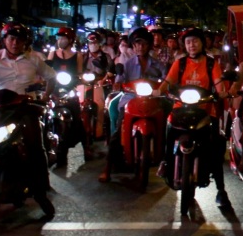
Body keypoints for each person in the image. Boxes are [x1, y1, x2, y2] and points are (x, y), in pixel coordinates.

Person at [0, 22, 56, 219]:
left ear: (25, 42)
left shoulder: (34, 60)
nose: (15, 43)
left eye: (19, 39)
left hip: (24, 108)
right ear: (5, 40)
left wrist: (45, 97)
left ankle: (40, 193)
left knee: (36, 148)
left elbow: (52, 77)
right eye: (11, 38)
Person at [157, 27, 232, 207]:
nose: (192, 45)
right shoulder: (180, 63)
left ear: (202, 43)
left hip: (205, 109)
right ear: (184, 44)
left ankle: (221, 190)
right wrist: (158, 91)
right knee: (167, 129)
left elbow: (219, 84)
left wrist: (222, 92)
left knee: (215, 145)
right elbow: (168, 82)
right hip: (180, 107)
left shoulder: (211, 63)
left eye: (195, 41)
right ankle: (165, 161)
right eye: (188, 42)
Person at [98, 27, 167, 183]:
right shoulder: (127, 64)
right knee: (118, 128)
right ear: (133, 46)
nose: (140, 47)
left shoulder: (157, 64)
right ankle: (108, 166)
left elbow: (165, 80)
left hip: (152, 100)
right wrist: (117, 84)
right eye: (137, 44)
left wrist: (164, 86)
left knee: (168, 121)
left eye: (144, 44)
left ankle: (166, 159)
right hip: (131, 100)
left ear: (149, 45)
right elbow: (119, 80)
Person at [46, 26, 89, 165]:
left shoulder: (78, 56)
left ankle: (85, 146)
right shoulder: (52, 54)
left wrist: (81, 78)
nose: (60, 40)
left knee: (76, 116)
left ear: (70, 40)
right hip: (55, 90)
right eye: (59, 38)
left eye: (63, 38)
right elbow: (46, 70)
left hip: (69, 90)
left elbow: (79, 73)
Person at [83, 30, 114, 138]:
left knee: (101, 107)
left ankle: (99, 132)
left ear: (99, 43)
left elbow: (110, 71)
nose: (93, 45)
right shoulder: (82, 57)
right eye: (90, 43)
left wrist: (104, 79)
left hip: (100, 84)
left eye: (95, 43)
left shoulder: (106, 57)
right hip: (85, 84)